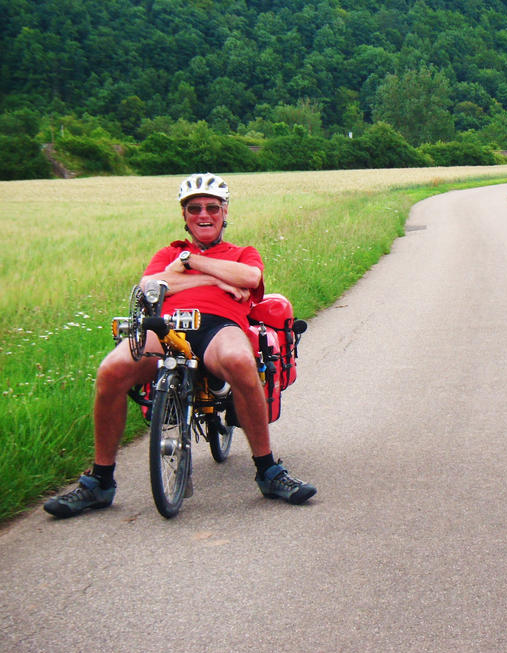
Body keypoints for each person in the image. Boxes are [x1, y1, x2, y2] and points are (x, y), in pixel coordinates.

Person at [44, 173, 316, 517]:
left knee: (240, 361)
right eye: (194, 208)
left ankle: (268, 471)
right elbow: (148, 286)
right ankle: (99, 481)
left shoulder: (242, 252)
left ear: (225, 211)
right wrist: (212, 275)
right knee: (111, 371)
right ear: (184, 215)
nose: (204, 215)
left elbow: (249, 279)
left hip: (220, 326)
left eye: (212, 208)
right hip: (168, 326)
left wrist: (188, 266)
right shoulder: (168, 253)